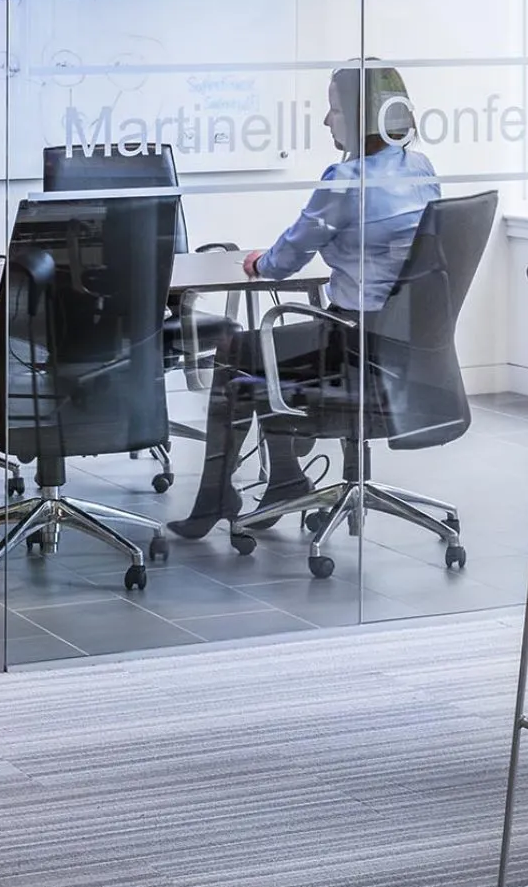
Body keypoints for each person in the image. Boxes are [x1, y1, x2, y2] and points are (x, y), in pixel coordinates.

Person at [167, 64, 441, 539]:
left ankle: (222, 493)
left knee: (241, 352)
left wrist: (257, 262)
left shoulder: (346, 179)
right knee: (263, 355)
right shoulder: (419, 168)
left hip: (357, 342)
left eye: (333, 109)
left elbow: (284, 259)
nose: (325, 121)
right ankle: (283, 479)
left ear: (360, 115)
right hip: (404, 344)